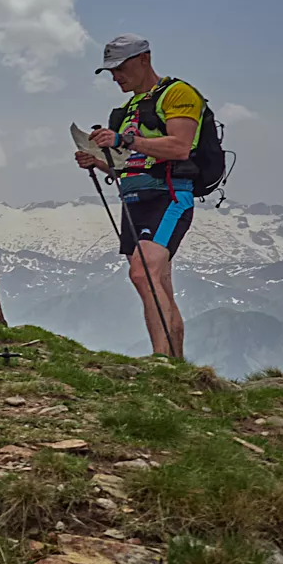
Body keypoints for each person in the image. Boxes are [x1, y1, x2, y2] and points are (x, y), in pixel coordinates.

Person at [76, 34, 201, 360]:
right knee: (159, 283)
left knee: (142, 273)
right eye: (110, 71)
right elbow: (132, 165)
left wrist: (122, 138)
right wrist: (99, 162)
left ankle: (161, 360)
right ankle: (175, 363)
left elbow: (180, 147)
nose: (116, 76)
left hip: (168, 197)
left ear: (144, 59)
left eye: (120, 67)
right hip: (135, 199)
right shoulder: (130, 107)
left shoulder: (178, 94)